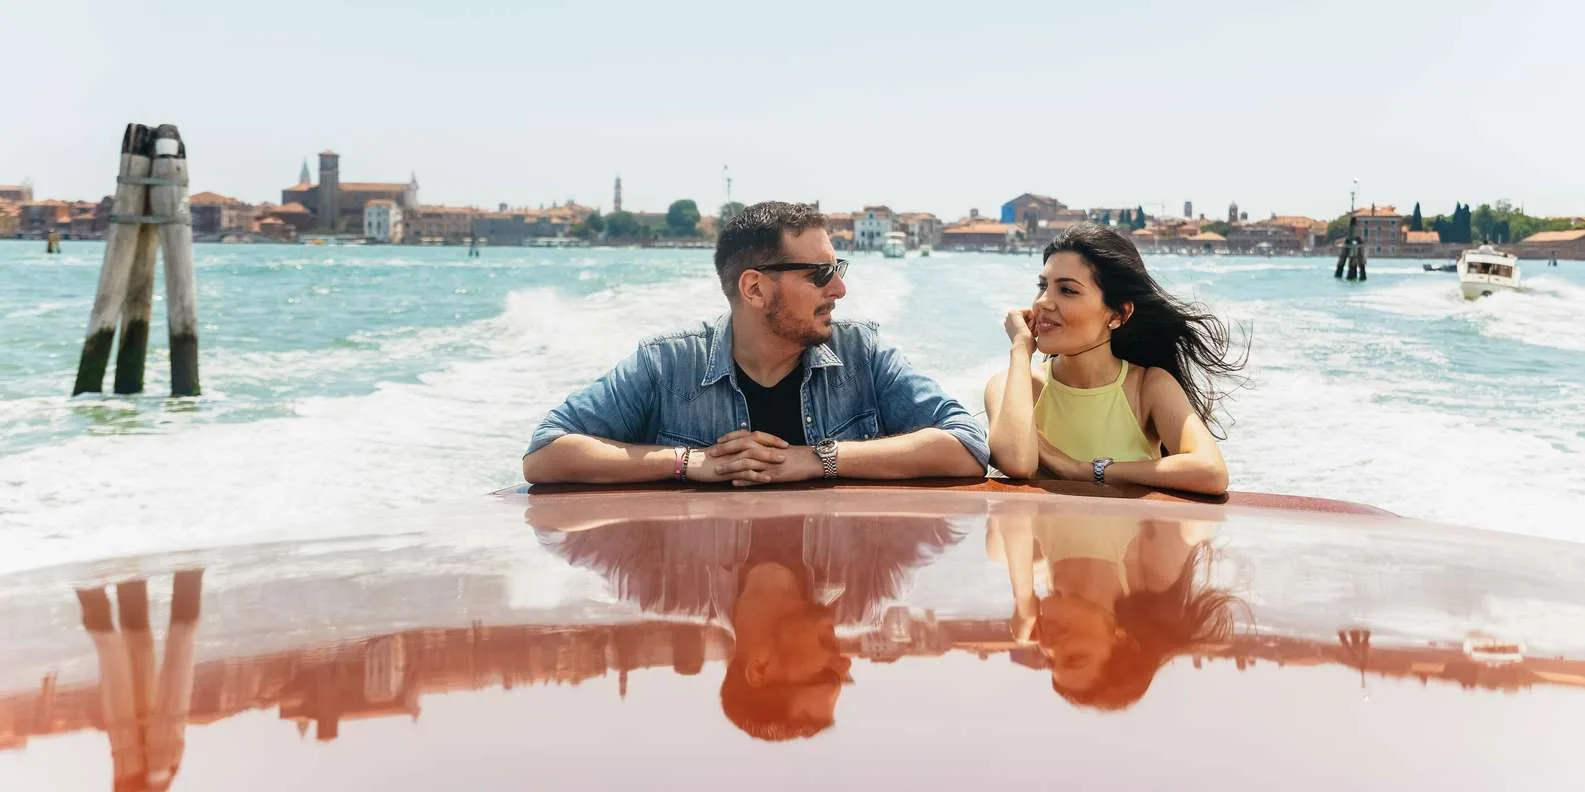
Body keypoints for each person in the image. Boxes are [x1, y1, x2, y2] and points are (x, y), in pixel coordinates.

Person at [523, 201, 987, 486]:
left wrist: (816, 460)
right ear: (754, 289)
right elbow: (546, 453)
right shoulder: (668, 364)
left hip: (829, 586)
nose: (839, 290)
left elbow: (967, 446)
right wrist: (689, 463)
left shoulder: (862, 355)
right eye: (820, 274)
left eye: (837, 270)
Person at [537, 513, 964, 740]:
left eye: (824, 673)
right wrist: (828, 461)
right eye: (841, 676)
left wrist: (684, 464)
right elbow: (955, 522)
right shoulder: (868, 590)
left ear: (758, 667)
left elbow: (555, 529)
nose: (845, 661)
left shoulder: (661, 585)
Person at [984, 223, 1242, 494]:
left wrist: (1086, 470)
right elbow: (1017, 461)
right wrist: (1020, 349)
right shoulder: (1013, 384)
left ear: (1119, 315)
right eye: (1042, 286)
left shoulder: (1148, 387)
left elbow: (1211, 473)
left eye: (1067, 290)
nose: (1042, 303)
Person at [987, 504, 1243, 710]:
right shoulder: (1162, 546)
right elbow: (1203, 473)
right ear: (1121, 637)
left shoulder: (1011, 551)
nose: (1050, 647)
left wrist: (1023, 598)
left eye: (1051, 661)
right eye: (1075, 658)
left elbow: (1011, 486)